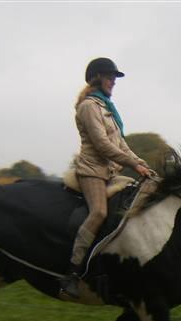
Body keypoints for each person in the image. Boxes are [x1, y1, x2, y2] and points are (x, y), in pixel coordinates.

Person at [60, 57, 152, 299]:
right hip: (91, 171)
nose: (113, 81)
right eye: (110, 77)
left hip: (111, 172)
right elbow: (102, 145)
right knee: (99, 212)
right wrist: (132, 163)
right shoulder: (89, 106)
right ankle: (73, 271)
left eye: (114, 78)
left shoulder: (107, 108)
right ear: (97, 77)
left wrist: (141, 164)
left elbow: (120, 143)